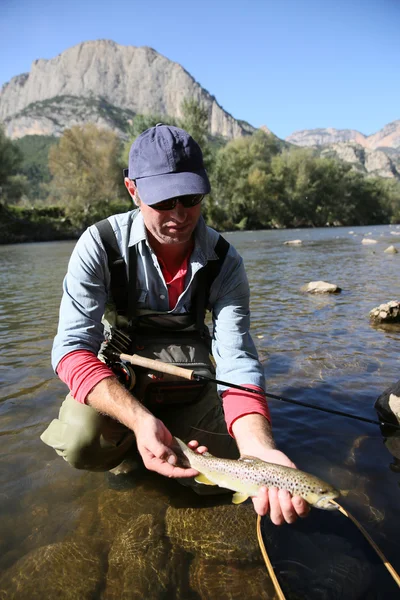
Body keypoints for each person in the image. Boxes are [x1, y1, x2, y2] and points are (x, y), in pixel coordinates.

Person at [41, 124, 309, 526]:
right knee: (83, 443)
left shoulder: (225, 262)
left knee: (222, 475)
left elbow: (236, 358)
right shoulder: (99, 246)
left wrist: (258, 450)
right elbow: (71, 351)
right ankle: (133, 442)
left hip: (191, 373)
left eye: (191, 197)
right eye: (164, 200)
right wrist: (137, 419)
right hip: (122, 370)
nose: (180, 214)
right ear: (133, 190)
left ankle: (159, 439)